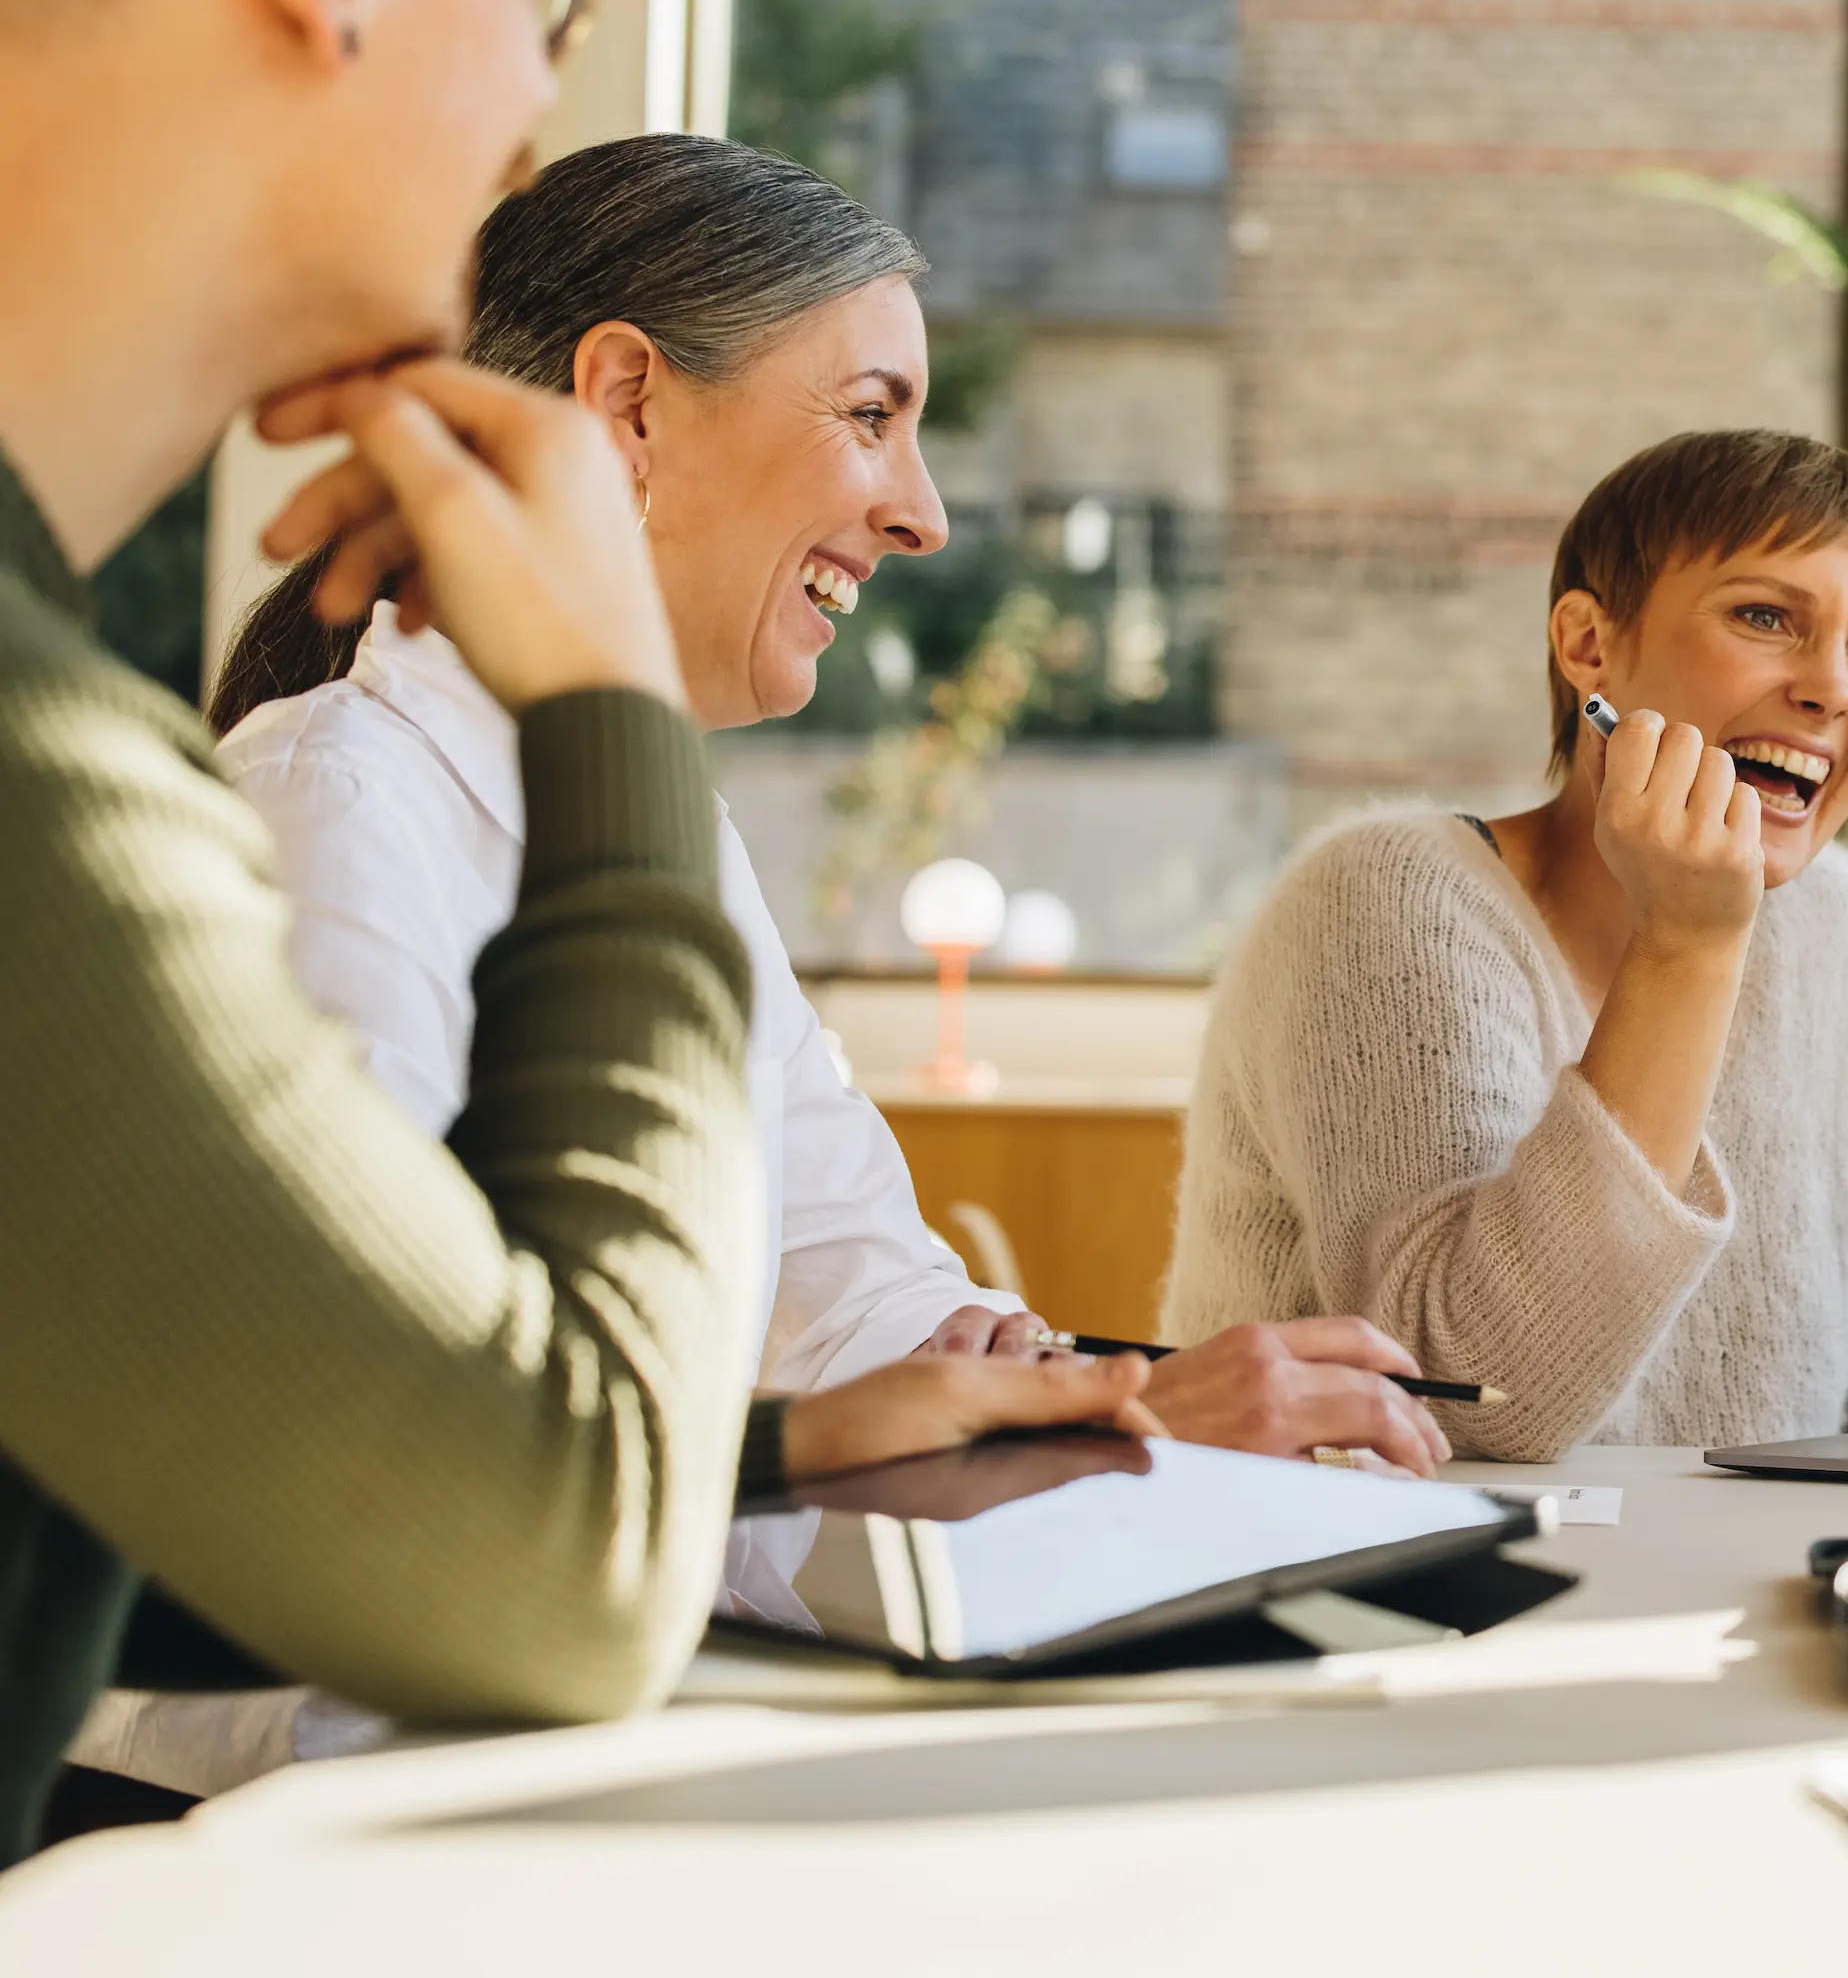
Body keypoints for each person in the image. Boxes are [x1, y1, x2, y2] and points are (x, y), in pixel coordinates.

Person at [0, 0, 1149, 1859]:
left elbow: (261, 1506)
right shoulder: (64, 795)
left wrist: (791, 1437)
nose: (542, 104)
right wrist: (605, 704)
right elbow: (544, 1571)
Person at [204, 131, 1451, 1474]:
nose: (925, 517)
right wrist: (1086, 1427)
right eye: (869, 417)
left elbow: (856, 1293)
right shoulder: (329, 808)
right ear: (629, 402)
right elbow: (407, 1426)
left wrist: (1047, 1384)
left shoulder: (672, 840)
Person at [1164, 428, 1848, 1459]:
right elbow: (1476, 1390)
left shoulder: (1833, 919)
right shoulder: (1384, 899)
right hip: (1402, 1595)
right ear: (1587, 647)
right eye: (1766, 616)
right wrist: (1690, 949)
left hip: (1727, 1597)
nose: (1832, 688)